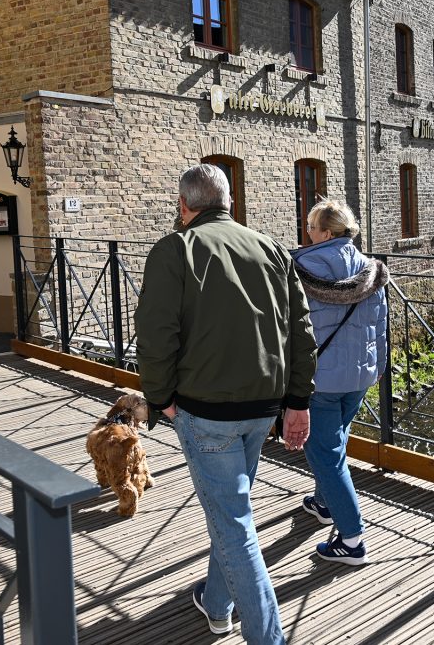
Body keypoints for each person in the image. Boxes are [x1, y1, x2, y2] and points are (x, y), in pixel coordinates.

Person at [135, 164, 316, 643]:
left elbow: (155, 338)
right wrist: (298, 401)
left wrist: (161, 401)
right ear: (229, 201)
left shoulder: (175, 249)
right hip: (264, 408)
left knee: (234, 524)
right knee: (230, 509)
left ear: (183, 206)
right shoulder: (272, 248)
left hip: (206, 411)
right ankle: (217, 604)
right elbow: (301, 332)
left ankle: (267, 637)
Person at [290, 199, 388, 566]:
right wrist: (377, 366)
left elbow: (292, 328)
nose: (308, 233)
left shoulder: (300, 267)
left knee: (327, 456)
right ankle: (324, 503)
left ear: (326, 233)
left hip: (320, 381)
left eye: (312, 227)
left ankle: (352, 538)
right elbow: (380, 325)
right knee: (336, 443)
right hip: (360, 376)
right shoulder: (372, 270)